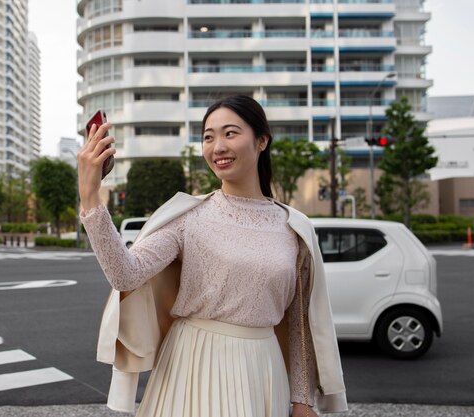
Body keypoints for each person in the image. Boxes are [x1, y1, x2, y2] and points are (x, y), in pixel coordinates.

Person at [78, 95, 347, 416]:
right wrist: (90, 196)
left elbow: (300, 323)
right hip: (193, 364)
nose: (218, 146)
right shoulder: (189, 216)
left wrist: (301, 400)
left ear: (262, 141)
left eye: (230, 133)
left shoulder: (294, 227)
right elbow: (125, 275)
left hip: (263, 369)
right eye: (208, 136)